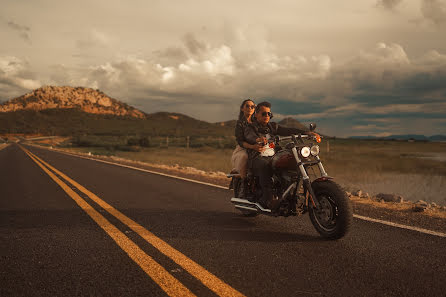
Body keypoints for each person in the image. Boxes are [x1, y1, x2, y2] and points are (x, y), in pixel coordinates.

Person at [244, 101, 319, 209]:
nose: (267, 116)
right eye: (263, 113)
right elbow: (249, 136)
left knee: (292, 160)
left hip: (273, 155)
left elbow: (288, 130)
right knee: (265, 166)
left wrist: (306, 133)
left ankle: (290, 192)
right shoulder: (251, 127)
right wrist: (258, 139)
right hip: (257, 156)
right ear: (256, 114)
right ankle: (269, 199)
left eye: (268, 114)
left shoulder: (273, 126)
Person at [231, 99, 264, 198]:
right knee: (245, 157)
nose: (250, 108)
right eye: (247, 106)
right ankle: (243, 185)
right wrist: (252, 146)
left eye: (252, 106)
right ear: (242, 108)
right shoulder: (240, 123)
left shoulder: (256, 122)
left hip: (257, 146)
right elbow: (240, 142)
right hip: (244, 148)